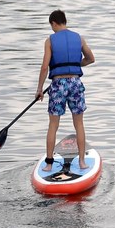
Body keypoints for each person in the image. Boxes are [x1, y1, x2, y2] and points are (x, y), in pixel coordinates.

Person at [35, 9, 96, 172]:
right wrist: (76, 66)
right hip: (75, 83)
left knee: (53, 125)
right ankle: (82, 161)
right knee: (79, 124)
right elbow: (91, 59)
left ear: (54, 23)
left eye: (51, 26)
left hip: (58, 85)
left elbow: (44, 67)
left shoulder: (50, 40)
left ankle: (49, 163)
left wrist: (40, 89)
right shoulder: (79, 38)